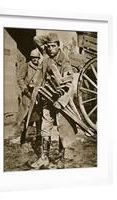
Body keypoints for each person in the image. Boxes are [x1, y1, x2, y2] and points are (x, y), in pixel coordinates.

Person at [31, 33, 76, 169]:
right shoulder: (46, 58)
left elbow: (68, 73)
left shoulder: (64, 59)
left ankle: (61, 158)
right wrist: (47, 41)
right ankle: (44, 158)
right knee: (45, 128)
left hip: (61, 100)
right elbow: (36, 39)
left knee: (63, 128)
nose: (50, 49)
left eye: (53, 46)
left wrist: (66, 76)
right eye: (48, 46)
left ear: (58, 46)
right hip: (47, 98)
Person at [17, 49, 43, 146]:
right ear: (31, 58)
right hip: (28, 94)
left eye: (37, 58)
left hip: (38, 94)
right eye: (33, 58)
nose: (35, 60)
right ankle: (24, 140)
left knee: (38, 117)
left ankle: (38, 138)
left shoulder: (40, 67)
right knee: (27, 116)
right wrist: (25, 89)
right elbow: (19, 78)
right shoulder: (26, 66)